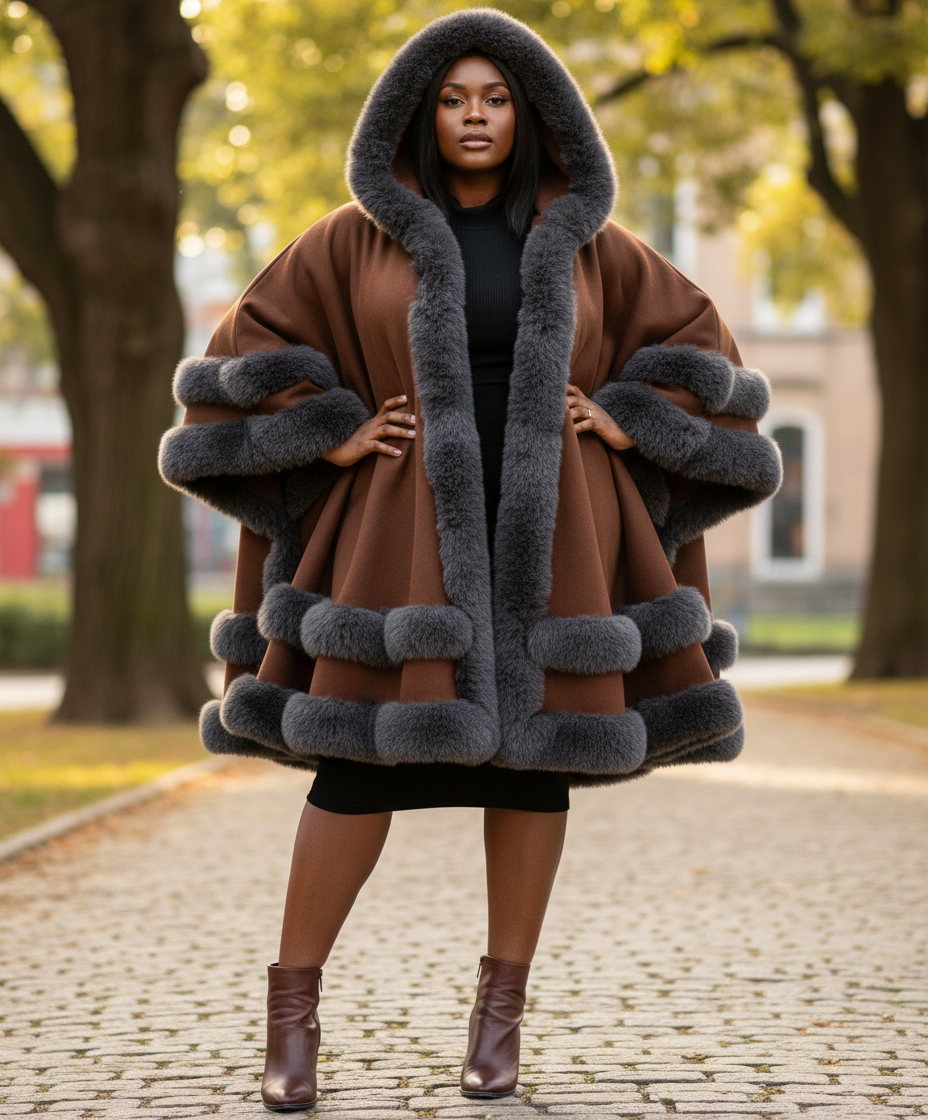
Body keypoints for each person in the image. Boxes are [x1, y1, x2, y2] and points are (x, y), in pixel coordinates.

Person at [159, 9, 781, 1111]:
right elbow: (242, 357)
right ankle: (292, 1017)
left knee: (536, 770)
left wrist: (634, 419)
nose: (476, 117)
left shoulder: (593, 244)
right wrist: (330, 430)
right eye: (454, 101)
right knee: (356, 771)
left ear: (531, 115)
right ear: (419, 116)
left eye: (495, 100)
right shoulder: (349, 239)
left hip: (554, 548)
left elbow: (700, 350)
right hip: (402, 549)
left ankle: (500, 1020)